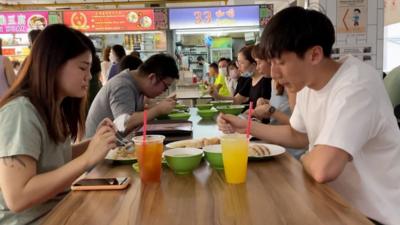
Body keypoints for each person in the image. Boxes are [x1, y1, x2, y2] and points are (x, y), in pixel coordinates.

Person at [218, 7, 400, 225]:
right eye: (271, 62)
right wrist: (244, 126)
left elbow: (324, 169)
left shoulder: (357, 86)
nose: (273, 73)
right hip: (331, 202)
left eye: (281, 62)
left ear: (314, 54)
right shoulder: (306, 84)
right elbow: (298, 135)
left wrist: (306, 157)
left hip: (373, 215)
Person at [0, 24, 117, 225]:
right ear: (54, 64)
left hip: (60, 211)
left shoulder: (53, 107)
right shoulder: (21, 111)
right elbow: (17, 198)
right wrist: (87, 159)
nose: (88, 77)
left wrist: (93, 143)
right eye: (82, 67)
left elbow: (53, 158)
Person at [85, 53, 179, 138]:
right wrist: (158, 110)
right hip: (98, 151)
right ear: (152, 78)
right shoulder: (122, 85)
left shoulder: (137, 86)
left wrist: (157, 107)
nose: (164, 91)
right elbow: (123, 124)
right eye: (165, 87)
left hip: (112, 146)